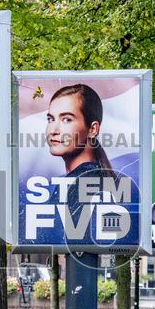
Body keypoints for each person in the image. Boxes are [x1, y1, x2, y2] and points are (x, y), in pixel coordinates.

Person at [44, 84, 127, 243]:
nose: (53, 130)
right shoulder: (96, 177)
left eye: (66, 119)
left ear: (93, 129)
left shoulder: (80, 184)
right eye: (50, 119)